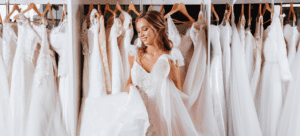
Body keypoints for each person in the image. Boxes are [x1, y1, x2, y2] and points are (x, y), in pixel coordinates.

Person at [125, 11, 198, 136]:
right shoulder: (134, 54)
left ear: (157, 28)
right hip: (138, 115)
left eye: (145, 29)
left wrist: (175, 75)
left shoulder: (172, 56)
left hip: (162, 118)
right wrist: (130, 88)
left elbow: (178, 97)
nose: (141, 35)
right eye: (139, 31)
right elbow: (129, 83)